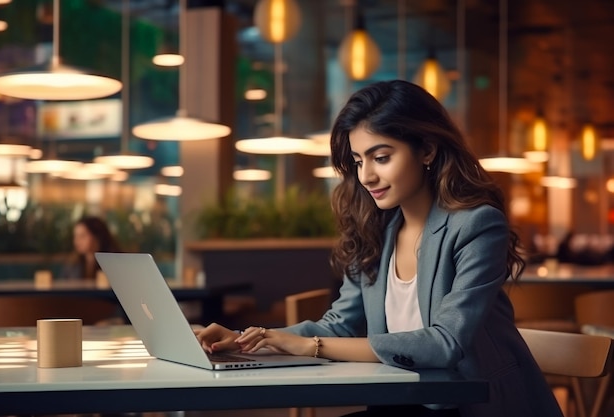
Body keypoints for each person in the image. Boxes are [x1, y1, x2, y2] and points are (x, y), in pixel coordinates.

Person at [195, 80, 563, 417]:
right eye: (358, 161)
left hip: (472, 407)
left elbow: (445, 343)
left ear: (427, 150)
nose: (366, 175)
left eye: (381, 157)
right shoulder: (376, 230)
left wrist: (308, 346)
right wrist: (249, 341)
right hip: (402, 402)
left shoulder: (477, 225)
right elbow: (338, 327)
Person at [60, 215, 121, 280]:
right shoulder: (72, 265)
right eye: (75, 236)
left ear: (97, 237)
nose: (77, 241)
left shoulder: (115, 264)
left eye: (82, 236)